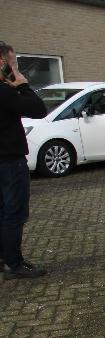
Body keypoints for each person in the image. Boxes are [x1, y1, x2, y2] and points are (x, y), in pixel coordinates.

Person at [0, 42, 48, 279]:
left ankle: (4, 258)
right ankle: (14, 264)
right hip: (9, 162)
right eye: (13, 63)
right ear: (2, 64)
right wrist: (23, 86)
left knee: (2, 211)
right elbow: (39, 109)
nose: (15, 69)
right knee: (14, 213)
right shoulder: (4, 91)